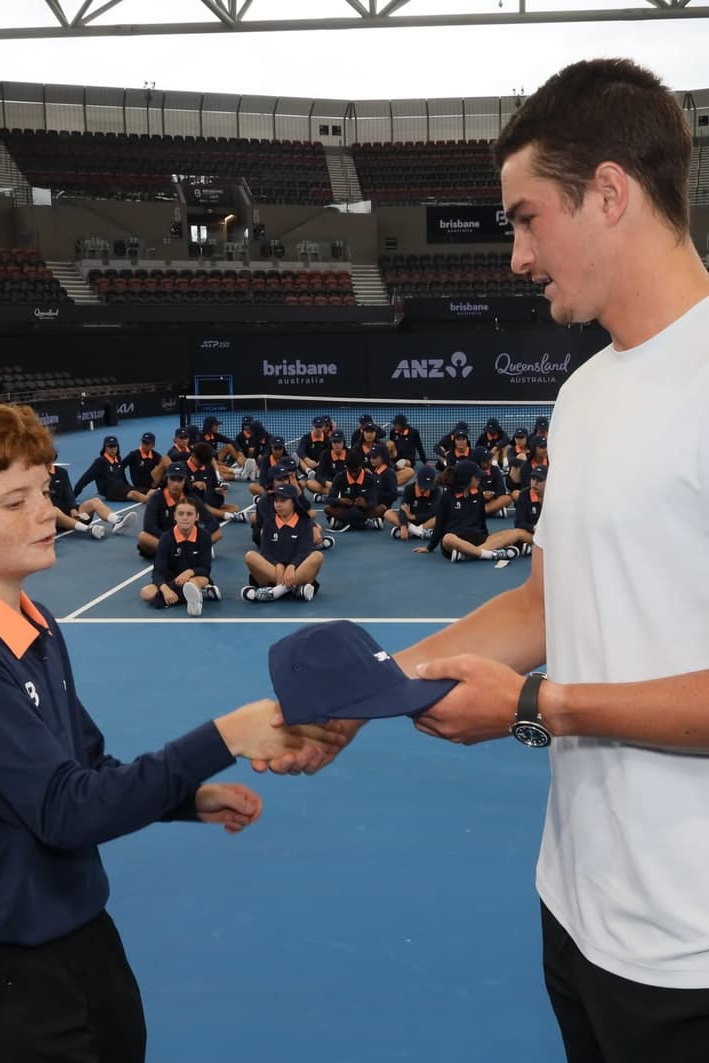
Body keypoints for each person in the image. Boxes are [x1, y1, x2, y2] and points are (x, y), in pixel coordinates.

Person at [388, 58, 709, 1063]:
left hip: (693, 949)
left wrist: (533, 710)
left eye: (527, 219)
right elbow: (545, 600)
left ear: (609, 192)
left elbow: (543, 684)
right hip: (577, 906)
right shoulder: (583, 395)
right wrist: (371, 685)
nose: (516, 257)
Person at [0, 396, 342, 1063]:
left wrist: (186, 798)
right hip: (14, 966)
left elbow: (86, 765)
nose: (46, 511)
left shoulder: (33, 623)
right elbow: (64, 811)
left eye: (42, 490)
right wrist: (227, 735)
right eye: (15, 503)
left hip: (82, 931)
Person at [416, 459, 519, 562]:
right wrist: (430, 547)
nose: (480, 479)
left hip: (477, 538)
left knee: (512, 534)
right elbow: (440, 523)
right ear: (467, 478)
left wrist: (488, 538)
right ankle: (488, 554)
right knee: (447, 538)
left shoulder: (479, 493)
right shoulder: (447, 497)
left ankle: (469, 554)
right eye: (476, 477)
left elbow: (481, 519)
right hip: (456, 540)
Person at [241, 482, 323, 602]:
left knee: (317, 556)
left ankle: (276, 592)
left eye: (283, 501)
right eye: (276, 501)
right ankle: (293, 589)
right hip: (274, 572)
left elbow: (304, 551)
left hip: (296, 571)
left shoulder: (305, 523)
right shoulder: (269, 523)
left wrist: (292, 566)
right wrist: (277, 565)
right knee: (250, 556)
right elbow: (265, 552)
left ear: (293, 502)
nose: (278, 505)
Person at [140, 495, 220, 616]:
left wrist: (190, 572)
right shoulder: (166, 538)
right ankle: (200, 593)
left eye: (189, 514)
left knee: (200, 580)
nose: (185, 518)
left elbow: (205, 569)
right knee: (146, 592)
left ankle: (194, 602)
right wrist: (165, 589)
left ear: (197, 517)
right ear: (175, 516)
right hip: (172, 581)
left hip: (194, 578)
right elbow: (158, 571)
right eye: (181, 513)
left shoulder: (204, 537)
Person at [49, 456, 137, 539]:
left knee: (94, 501)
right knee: (55, 510)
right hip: (54, 518)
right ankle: (89, 529)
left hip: (70, 514)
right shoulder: (37, 475)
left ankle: (117, 521)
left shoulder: (62, 472)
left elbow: (68, 493)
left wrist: (72, 508)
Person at [72, 435, 148, 506]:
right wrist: (73, 495)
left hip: (122, 487)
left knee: (147, 491)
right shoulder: (100, 462)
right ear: (105, 447)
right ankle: (155, 504)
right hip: (110, 491)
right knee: (134, 494)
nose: (112, 449)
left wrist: (128, 486)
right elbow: (85, 478)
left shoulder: (118, 458)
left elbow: (122, 476)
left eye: (114, 446)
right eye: (110, 446)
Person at [120, 430, 166, 500]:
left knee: (165, 460)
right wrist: (125, 483)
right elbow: (120, 467)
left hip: (152, 484)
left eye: (147, 443)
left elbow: (162, 468)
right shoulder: (133, 455)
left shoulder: (155, 455)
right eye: (143, 442)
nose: (144, 445)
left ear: (153, 445)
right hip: (140, 487)